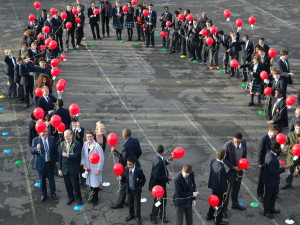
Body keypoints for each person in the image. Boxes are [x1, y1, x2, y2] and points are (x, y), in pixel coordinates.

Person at [222, 132, 247, 218]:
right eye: (235, 142)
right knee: (227, 191)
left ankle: (235, 204)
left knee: (237, 188)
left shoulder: (243, 143)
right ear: (233, 139)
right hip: (231, 171)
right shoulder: (227, 145)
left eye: (238, 142)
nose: (237, 144)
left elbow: (244, 155)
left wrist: (243, 166)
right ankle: (224, 210)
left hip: (239, 170)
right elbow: (224, 159)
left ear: (241, 140)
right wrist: (233, 167)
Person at [262, 142, 290, 219]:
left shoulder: (269, 153)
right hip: (270, 180)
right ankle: (266, 211)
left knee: (274, 195)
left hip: (274, 180)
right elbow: (274, 172)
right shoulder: (271, 159)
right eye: (279, 149)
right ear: (276, 149)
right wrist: (284, 168)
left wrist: (281, 151)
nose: (280, 150)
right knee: (268, 196)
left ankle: (271, 208)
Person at [31, 129, 58, 202]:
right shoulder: (36, 140)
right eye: (43, 132)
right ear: (39, 132)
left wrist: (56, 160)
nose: (45, 133)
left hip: (50, 163)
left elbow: (55, 150)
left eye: (46, 131)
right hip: (41, 164)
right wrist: (37, 148)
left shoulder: (52, 138)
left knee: (51, 179)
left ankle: (53, 193)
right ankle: (43, 194)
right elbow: (32, 151)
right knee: (42, 180)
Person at [149, 145, 173, 224]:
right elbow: (157, 176)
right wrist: (167, 178)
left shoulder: (157, 158)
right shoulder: (159, 161)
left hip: (159, 186)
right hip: (159, 187)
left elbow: (162, 165)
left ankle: (162, 215)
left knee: (163, 201)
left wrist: (168, 161)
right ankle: (153, 215)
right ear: (163, 151)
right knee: (158, 201)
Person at [118, 157, 145, 224]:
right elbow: (124, 177)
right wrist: (120, 177)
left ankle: (138, 216)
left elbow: (143, 179)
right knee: (130, 203)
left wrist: (140, 186)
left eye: (130, 164)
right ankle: (131, 215)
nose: (128, 166)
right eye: (127, 164)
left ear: (134, 164)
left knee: (137, 205)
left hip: (136, 190)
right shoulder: (126, 168)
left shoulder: (138, 170)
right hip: (129, 189)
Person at [58, 130, 83, 205]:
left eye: (67, 136)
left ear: (71, 135)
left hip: (74, 169)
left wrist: (68, 155)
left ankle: (78, 198)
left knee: (75, 185)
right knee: (68, 185)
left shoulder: (77, 144)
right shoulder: (62, 144)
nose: (66, 138)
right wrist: (59, 169)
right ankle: (70, 198)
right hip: (65, 169)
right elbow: (59, 158)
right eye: (65, 137)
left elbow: (76, 155)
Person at [81, 131, 104, 206]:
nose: (89, 138)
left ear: (93, 137)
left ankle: (96, 198)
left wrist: (98, 169)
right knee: (91, 184)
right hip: (88, 168)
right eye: (87, 137)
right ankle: (93, 197)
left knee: (95, 185)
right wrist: (83, 164)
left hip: (95, 169)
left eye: (90, 136)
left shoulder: (97, 146)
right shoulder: (85, 144)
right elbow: (83, 155)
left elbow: (101, 158)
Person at [256, 125, 279, 202]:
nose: (276, 135)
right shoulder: (263, 139)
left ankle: (271, 193)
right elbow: (259, 152)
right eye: (275, 133)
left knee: (270, 179)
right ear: (270, 131)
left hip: (271, 163)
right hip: (264, 163)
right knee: (262, 180)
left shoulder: (275, 139)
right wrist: (260, 163)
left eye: (277, 133)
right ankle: (260, 194)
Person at [207, 149, 228, 225]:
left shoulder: (213, 161)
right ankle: (218, 221)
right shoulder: (221, 168)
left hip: (213, 186)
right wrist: (225, 190)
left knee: (213, 201)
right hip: (219, 190)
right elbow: (221, 182)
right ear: (224, 156)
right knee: (220, 205)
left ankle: (209, 215)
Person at [281, 121, 300, 190]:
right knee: (290, 172)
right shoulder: (290, 135)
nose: (298, 130)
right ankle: (288, 183)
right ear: (294, 128)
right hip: (291, 157)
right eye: (297, 128)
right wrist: (293, 147)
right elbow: (285, 145)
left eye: (299, 129)